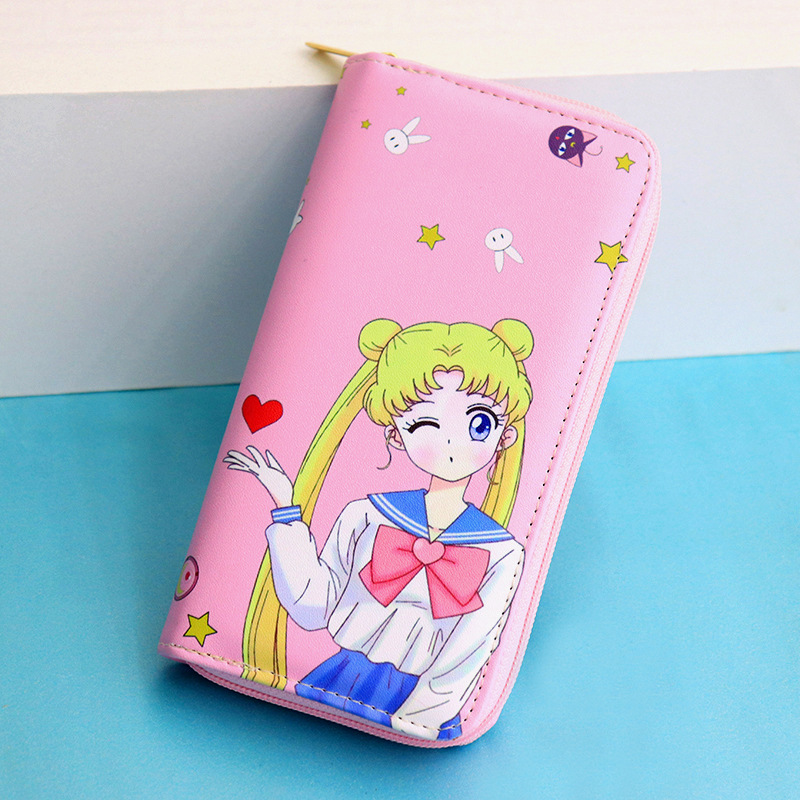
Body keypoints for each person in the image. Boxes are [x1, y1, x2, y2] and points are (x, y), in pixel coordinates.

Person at [225, 318, 534, 740]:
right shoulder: (367, 515)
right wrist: (286, 511)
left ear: (505, 434)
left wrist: (420, 715)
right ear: (395, 434)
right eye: (425, 425)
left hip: (420, 707)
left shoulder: (501, 552)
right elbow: (314, 606)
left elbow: (468, 652)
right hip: (338, 678)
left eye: (478, 423)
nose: (451, 444)